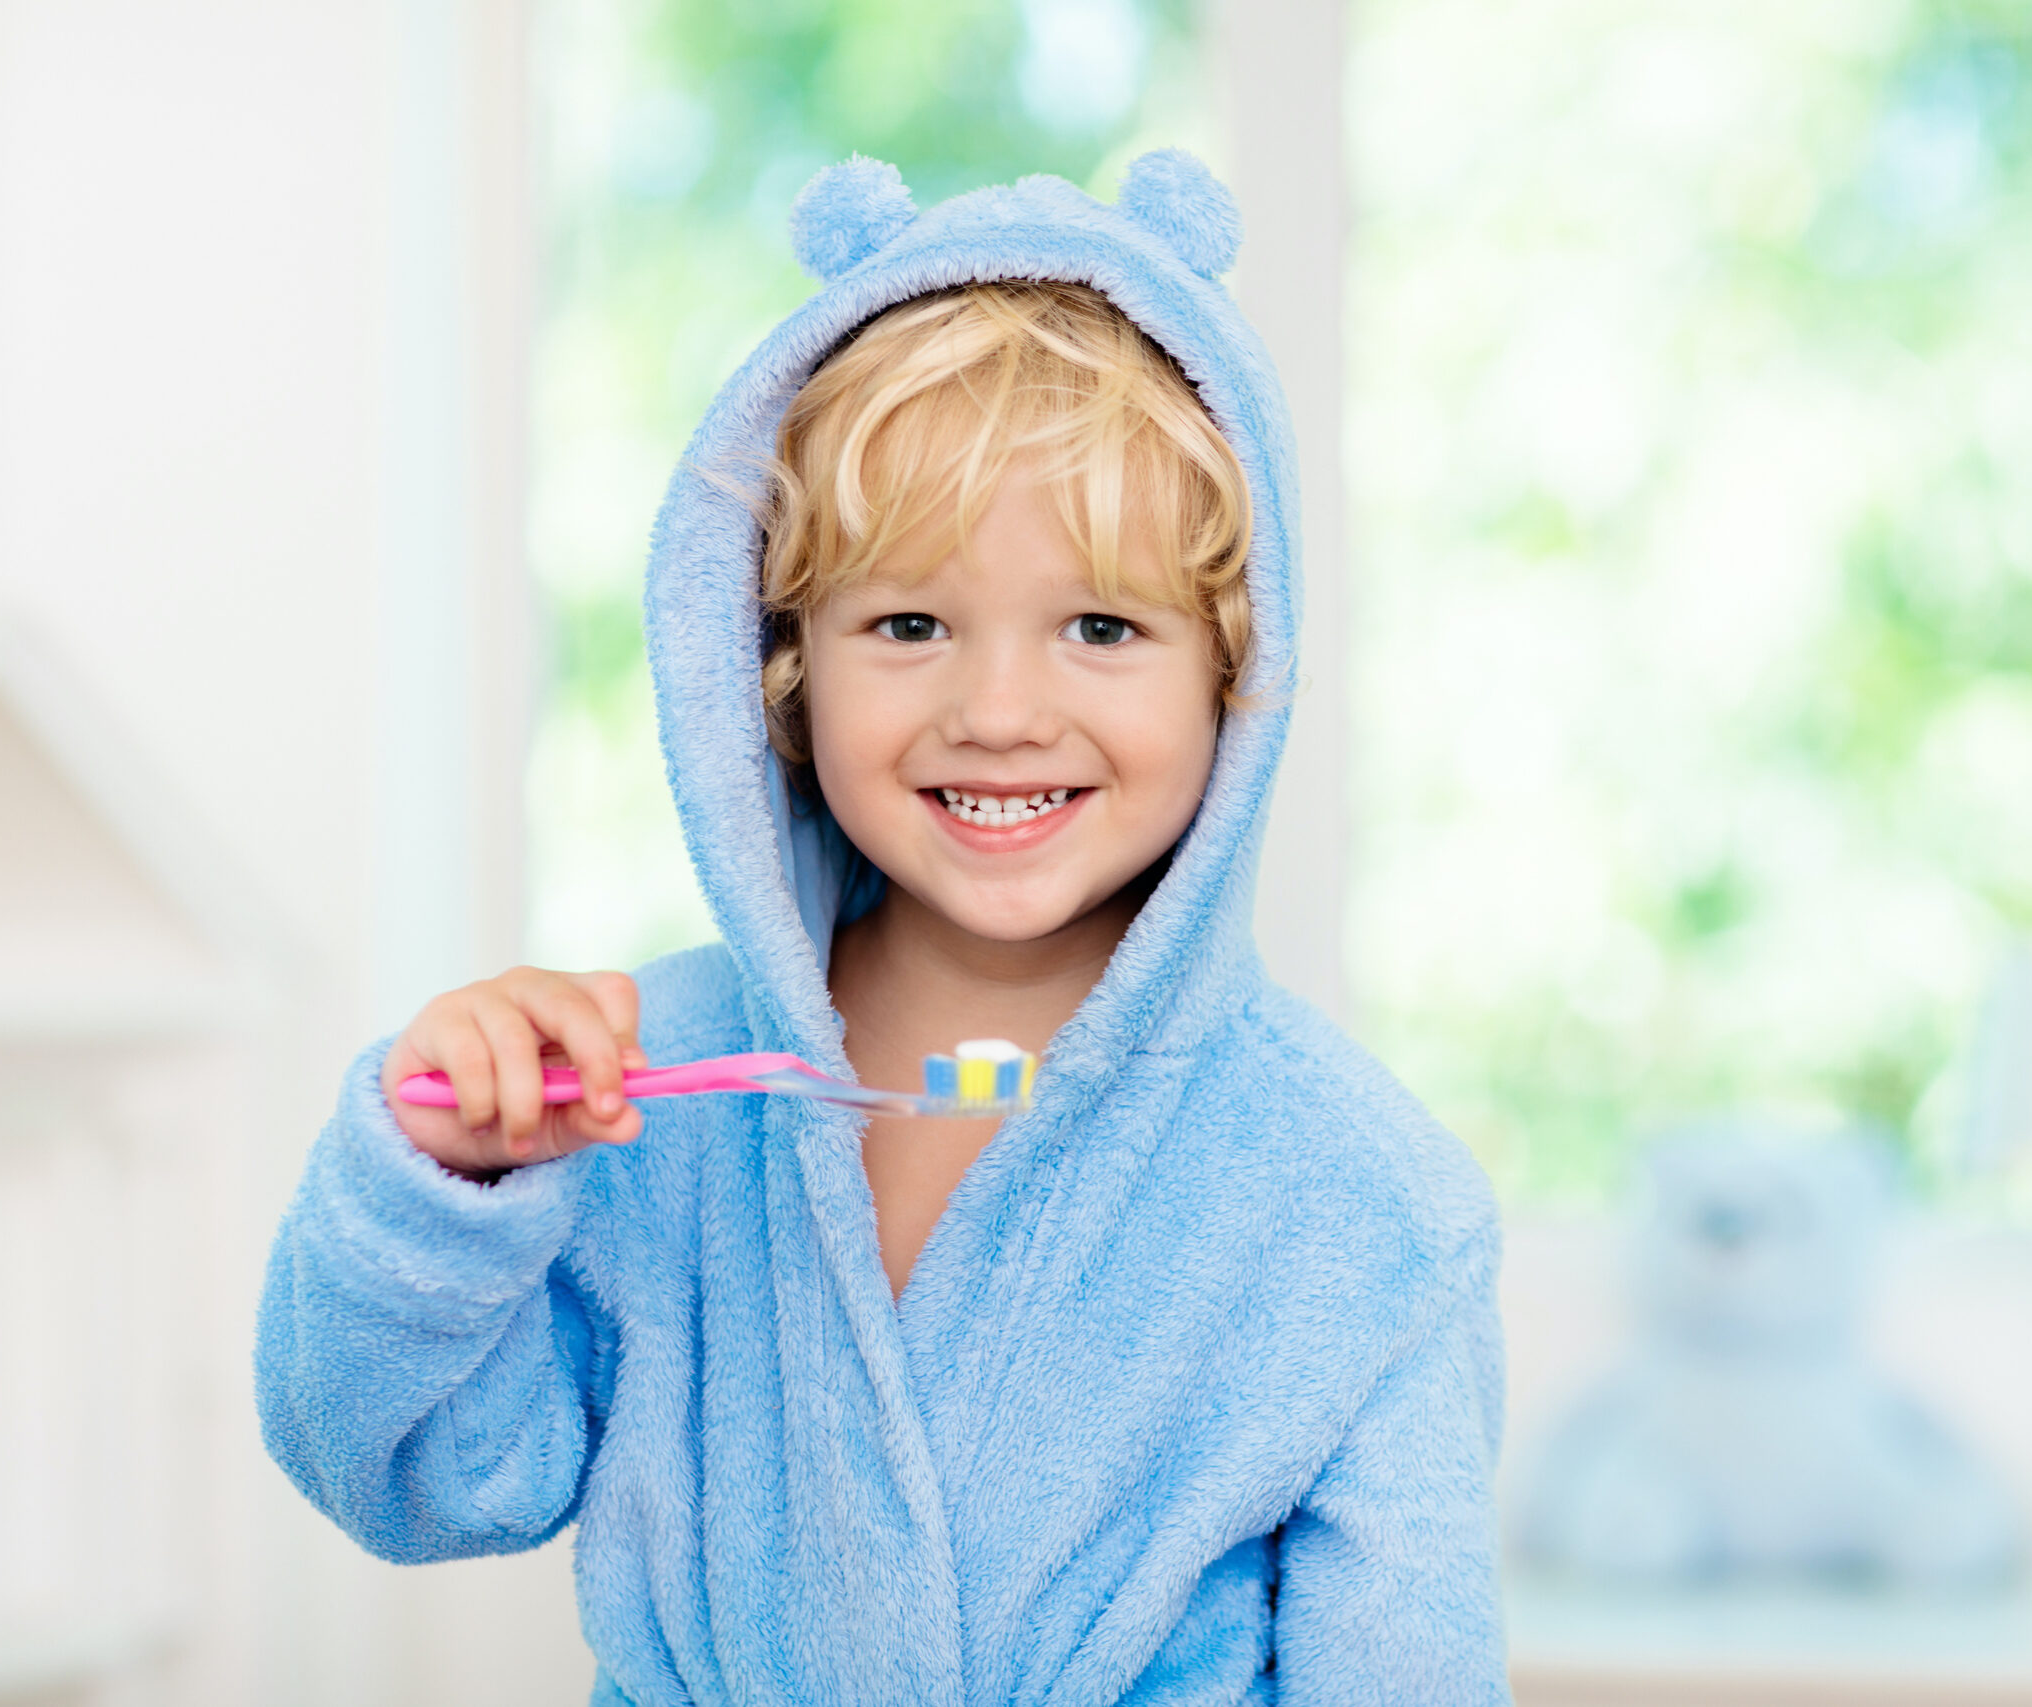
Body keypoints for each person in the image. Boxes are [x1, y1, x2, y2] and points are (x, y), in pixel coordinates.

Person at [256, 150, 1505, 1705]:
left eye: (1102, 627)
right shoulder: (647, 1088)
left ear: (1235, 672)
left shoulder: (1358, 1210)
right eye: (907, 624)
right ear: (781, 666)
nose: (996, 711)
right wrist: (446, 1180)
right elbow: (410, 1479)